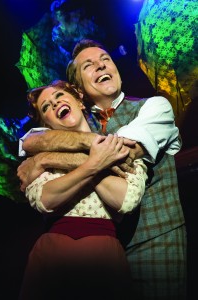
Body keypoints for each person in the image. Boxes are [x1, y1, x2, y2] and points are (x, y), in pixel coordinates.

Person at [18, 39, 187, 299]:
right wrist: (42, 151)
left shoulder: (153, 106)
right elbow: (29, 141)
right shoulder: (77, 122)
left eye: (105, 59)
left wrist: (44, 159)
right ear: (79, 90)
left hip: (155, 241)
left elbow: (122, 153)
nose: (100, 65)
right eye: (89, 65)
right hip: (109, 248)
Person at [18, 80, 148, 300]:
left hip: (103, 256)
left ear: (79, 101)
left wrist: (74, 162)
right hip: (52, 255)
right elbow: (44, 199)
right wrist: (96, 163)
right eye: (46, 107)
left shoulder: (121, 145)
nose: (55, 104)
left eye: (59, 96)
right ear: (44, 123)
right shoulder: (36, 158)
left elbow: (126, 200)